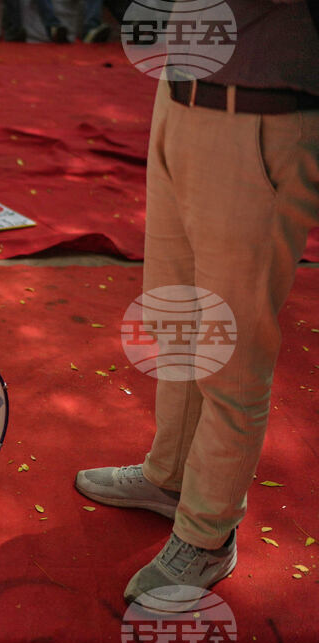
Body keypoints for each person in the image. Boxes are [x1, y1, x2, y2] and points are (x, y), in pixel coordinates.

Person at [75, 1, 319, 604]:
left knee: (232, 356)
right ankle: (170, 478)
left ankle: (209, 533)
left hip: (262, 118)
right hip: (177, 98)